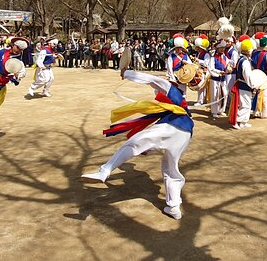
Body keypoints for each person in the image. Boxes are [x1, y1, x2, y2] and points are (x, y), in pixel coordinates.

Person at [80, 68, 194, 220]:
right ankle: (173, 207)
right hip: (185, 134)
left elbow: (152, 80)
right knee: (171, 169)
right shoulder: (181, 103)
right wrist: (150, 149)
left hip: (172, 126)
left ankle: (104, 171)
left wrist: (127, 73)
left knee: (134, 143)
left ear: (175, 80)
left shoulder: (171, 89)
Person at [227, 36, 256, 129]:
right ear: (248, 51)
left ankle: (243, 121)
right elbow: (247, 76)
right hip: (244, 85)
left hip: (241, 84)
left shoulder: (241, 59)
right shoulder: (245, 62)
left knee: (244, 104)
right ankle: (238, 120)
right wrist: (253, 85)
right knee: (246, 104)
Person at [251, 32, 267, 119]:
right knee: (265, 95)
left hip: (255, 75)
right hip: (264, 76)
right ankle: (264, 113)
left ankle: (255, 111)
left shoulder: (253, 54)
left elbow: (251, 65)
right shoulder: (266, 55)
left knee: (255, 93)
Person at [207, 40, 231, 118]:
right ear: (217, 49)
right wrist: (219, 72)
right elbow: (211, 68)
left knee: (224, 94)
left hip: (223, 79)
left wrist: (228, 68)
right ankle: (214, 111)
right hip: (215, 79)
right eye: (220, 48)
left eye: (223, 48)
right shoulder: (213, 58)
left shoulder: (225, 57)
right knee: (215, 95)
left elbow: (229, 64)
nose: (222, 49)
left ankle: (221, 110)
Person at [192, 35, 211, 106]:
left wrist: (198, 60)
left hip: (204, 71)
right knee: (201, 87)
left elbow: (206, 63)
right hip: (199, 70)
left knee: (201, 86)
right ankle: (202, 100)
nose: (197, 49)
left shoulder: (206, 54)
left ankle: (201, 101)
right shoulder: (198, 53)